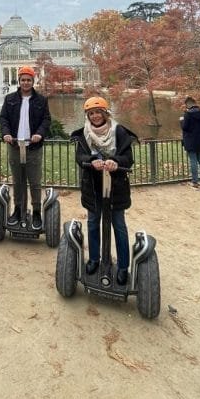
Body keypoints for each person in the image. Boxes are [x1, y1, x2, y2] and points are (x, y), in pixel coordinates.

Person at [71, 96, 138, 285]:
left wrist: (115, 161)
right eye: (91, 113)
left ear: (105, 113)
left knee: (119, 225)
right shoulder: (84, 134)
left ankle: (123, 266)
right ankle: (94, 259)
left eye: (98, 112)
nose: (95, 116)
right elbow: (80, 156)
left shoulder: (119, 131)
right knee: (93, 222)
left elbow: (128, 158)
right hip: (93, 185)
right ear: (87, 116)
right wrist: (92, 161)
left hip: (116, 185)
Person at [0, 65, 51, 230]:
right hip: (15, 145)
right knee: (18, 181)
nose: (26, 83)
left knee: (34, 182)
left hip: (33, 147)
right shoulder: (10, 99)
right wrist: (6, 134)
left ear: (33, 81)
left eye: (29, 80)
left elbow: (46, 120)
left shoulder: (41, 100)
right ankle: (18, 209)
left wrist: (39, 134)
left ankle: (36, 211)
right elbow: (3, 119)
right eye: (23, 80)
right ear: (19, 81)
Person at [180, 96, 200, 189]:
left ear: (188, 104)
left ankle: (195, 182)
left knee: (193, 161)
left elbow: (185, 127)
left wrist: (181, 121)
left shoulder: (187, 114)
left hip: (190, 140)